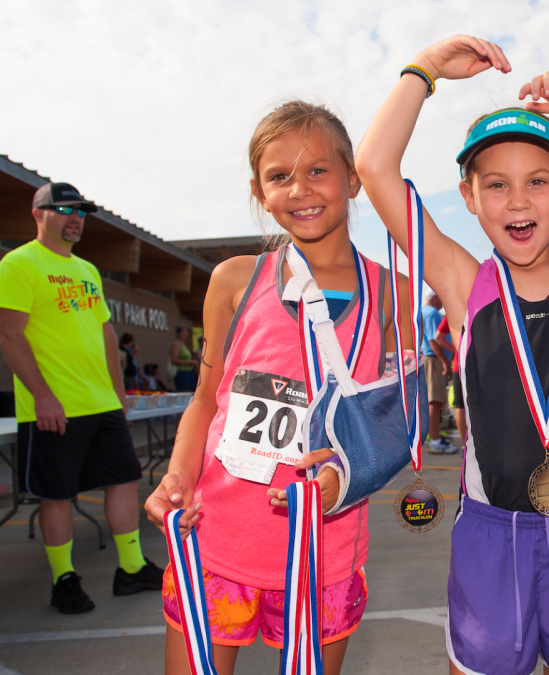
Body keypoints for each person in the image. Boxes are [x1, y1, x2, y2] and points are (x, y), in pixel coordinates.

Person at [356, 35, 549, 675]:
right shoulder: (463, 282)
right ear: (468, 197)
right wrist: (425, 70)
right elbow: (374, 168)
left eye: (538, 182)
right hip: (494, 532)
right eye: (496, 185)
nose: (519, 201)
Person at [143, 101, 408, 675]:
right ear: (260, 192)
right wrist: (180, 476)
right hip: (216, 538)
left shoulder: (394, 294)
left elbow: (402, 420)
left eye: (318, 170)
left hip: (324, 548)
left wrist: (351, 468)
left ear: (353, 179)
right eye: (279, 176)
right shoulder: (235, 280)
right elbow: (206, 401)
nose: (301, 188)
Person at [0, 182, 161, 615]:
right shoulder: (18, 264)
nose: (75, 218)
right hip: (54, 407)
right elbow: (8, 334)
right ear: (38, 213)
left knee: (124, 479)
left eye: (81, 211)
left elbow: (105, 333)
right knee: (58, 494)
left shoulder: (87, 270)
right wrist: (43, 397)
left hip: (102, 403)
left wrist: (119, 393)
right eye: (64, 209)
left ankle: (131, 567)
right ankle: (64, 579)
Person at [421, 292, 456, 454]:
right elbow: (433, 340)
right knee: (434, 402)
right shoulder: (432, 313)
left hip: (432, 358)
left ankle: (434, 436)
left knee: (436, 402)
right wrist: (445, 361)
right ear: (435, 297)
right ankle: (435, 441)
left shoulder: (425, 312)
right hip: (433, 359)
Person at [433, 314, 467, 449]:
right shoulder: (481, 302)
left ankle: (466, 447)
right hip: (477, 365)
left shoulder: (452, 308)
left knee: (461, 408)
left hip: (460, 365)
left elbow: (438, 337)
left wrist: (456, 351)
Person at [169, 326, 198, 392]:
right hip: (182, 372)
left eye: (186, 332)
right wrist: (190, 363)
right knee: (184, 393)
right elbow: (174, 360)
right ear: (178, 333)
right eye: (182, 332)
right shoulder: (176, 344)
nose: (185, 333)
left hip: (190, 372)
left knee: (191, 392)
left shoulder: (184, 345)